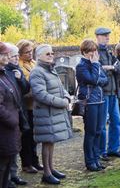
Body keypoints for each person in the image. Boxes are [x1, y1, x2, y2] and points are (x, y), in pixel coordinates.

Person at [30, 44, 72, 184]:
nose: (51, 55)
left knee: (51, 141)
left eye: (52, 53)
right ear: (39, 56)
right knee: (47, 142)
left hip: (53, 112)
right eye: (48, 54)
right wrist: (62, 102)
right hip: (45, 113)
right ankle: (46, 173)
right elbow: (41, 94)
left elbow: (61, 88)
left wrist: (67, 98)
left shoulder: (50, 70)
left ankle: (51, 169)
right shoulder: (37, 72)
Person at [75, 40, 108, 172]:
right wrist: (95, 65)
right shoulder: (81, 66)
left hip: (100, 100)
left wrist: (97, 78)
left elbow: (105, 80)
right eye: (91, 51)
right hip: (89, 102)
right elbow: (93, 79)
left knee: (99, 130)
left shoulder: (96, 64)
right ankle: (90, 161)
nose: (94, 54)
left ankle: (96, 158)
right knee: (91, 132)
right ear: (84, 52)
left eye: (95, 51)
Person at [95, 27, 120, 159]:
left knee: (116, 121)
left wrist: (111, 67)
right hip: (103, 92)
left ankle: (114, 148)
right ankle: (102, 151)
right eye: (104, 35)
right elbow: (96, 69)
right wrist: (109, 68)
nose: (107, 37)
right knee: (102, 125)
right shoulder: (95, 51)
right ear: (97, 36)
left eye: (108, 35)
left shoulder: (109, 52)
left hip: (114, 91)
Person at [16, 39, 43, 173]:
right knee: (26, 136)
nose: (30, 54)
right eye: (26, 52)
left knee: (35, 136)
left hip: (36, 104)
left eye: (31, 51)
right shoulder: (18, 66)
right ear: (20, 53)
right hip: (26, 105)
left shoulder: (34, 63)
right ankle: (26, 164)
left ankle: (35, 161)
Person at [5, 44, 30, 187]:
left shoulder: (16, 69)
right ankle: (7, 177)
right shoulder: (4, 72)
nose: (15, 59)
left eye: (16, 56)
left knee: (16, 144)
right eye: (13, 56)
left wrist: (21, 78)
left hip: (20, 112)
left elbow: (26, 89)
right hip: (9, 114)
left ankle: (14, 174)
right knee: (9, 147)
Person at [0, 42, 23, 188]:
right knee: (2, 165)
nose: (8, 56)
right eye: (5, 54)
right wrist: (12, 119)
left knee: (7, 161)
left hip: (10, 127)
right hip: (4, 128)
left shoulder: (4, 73)